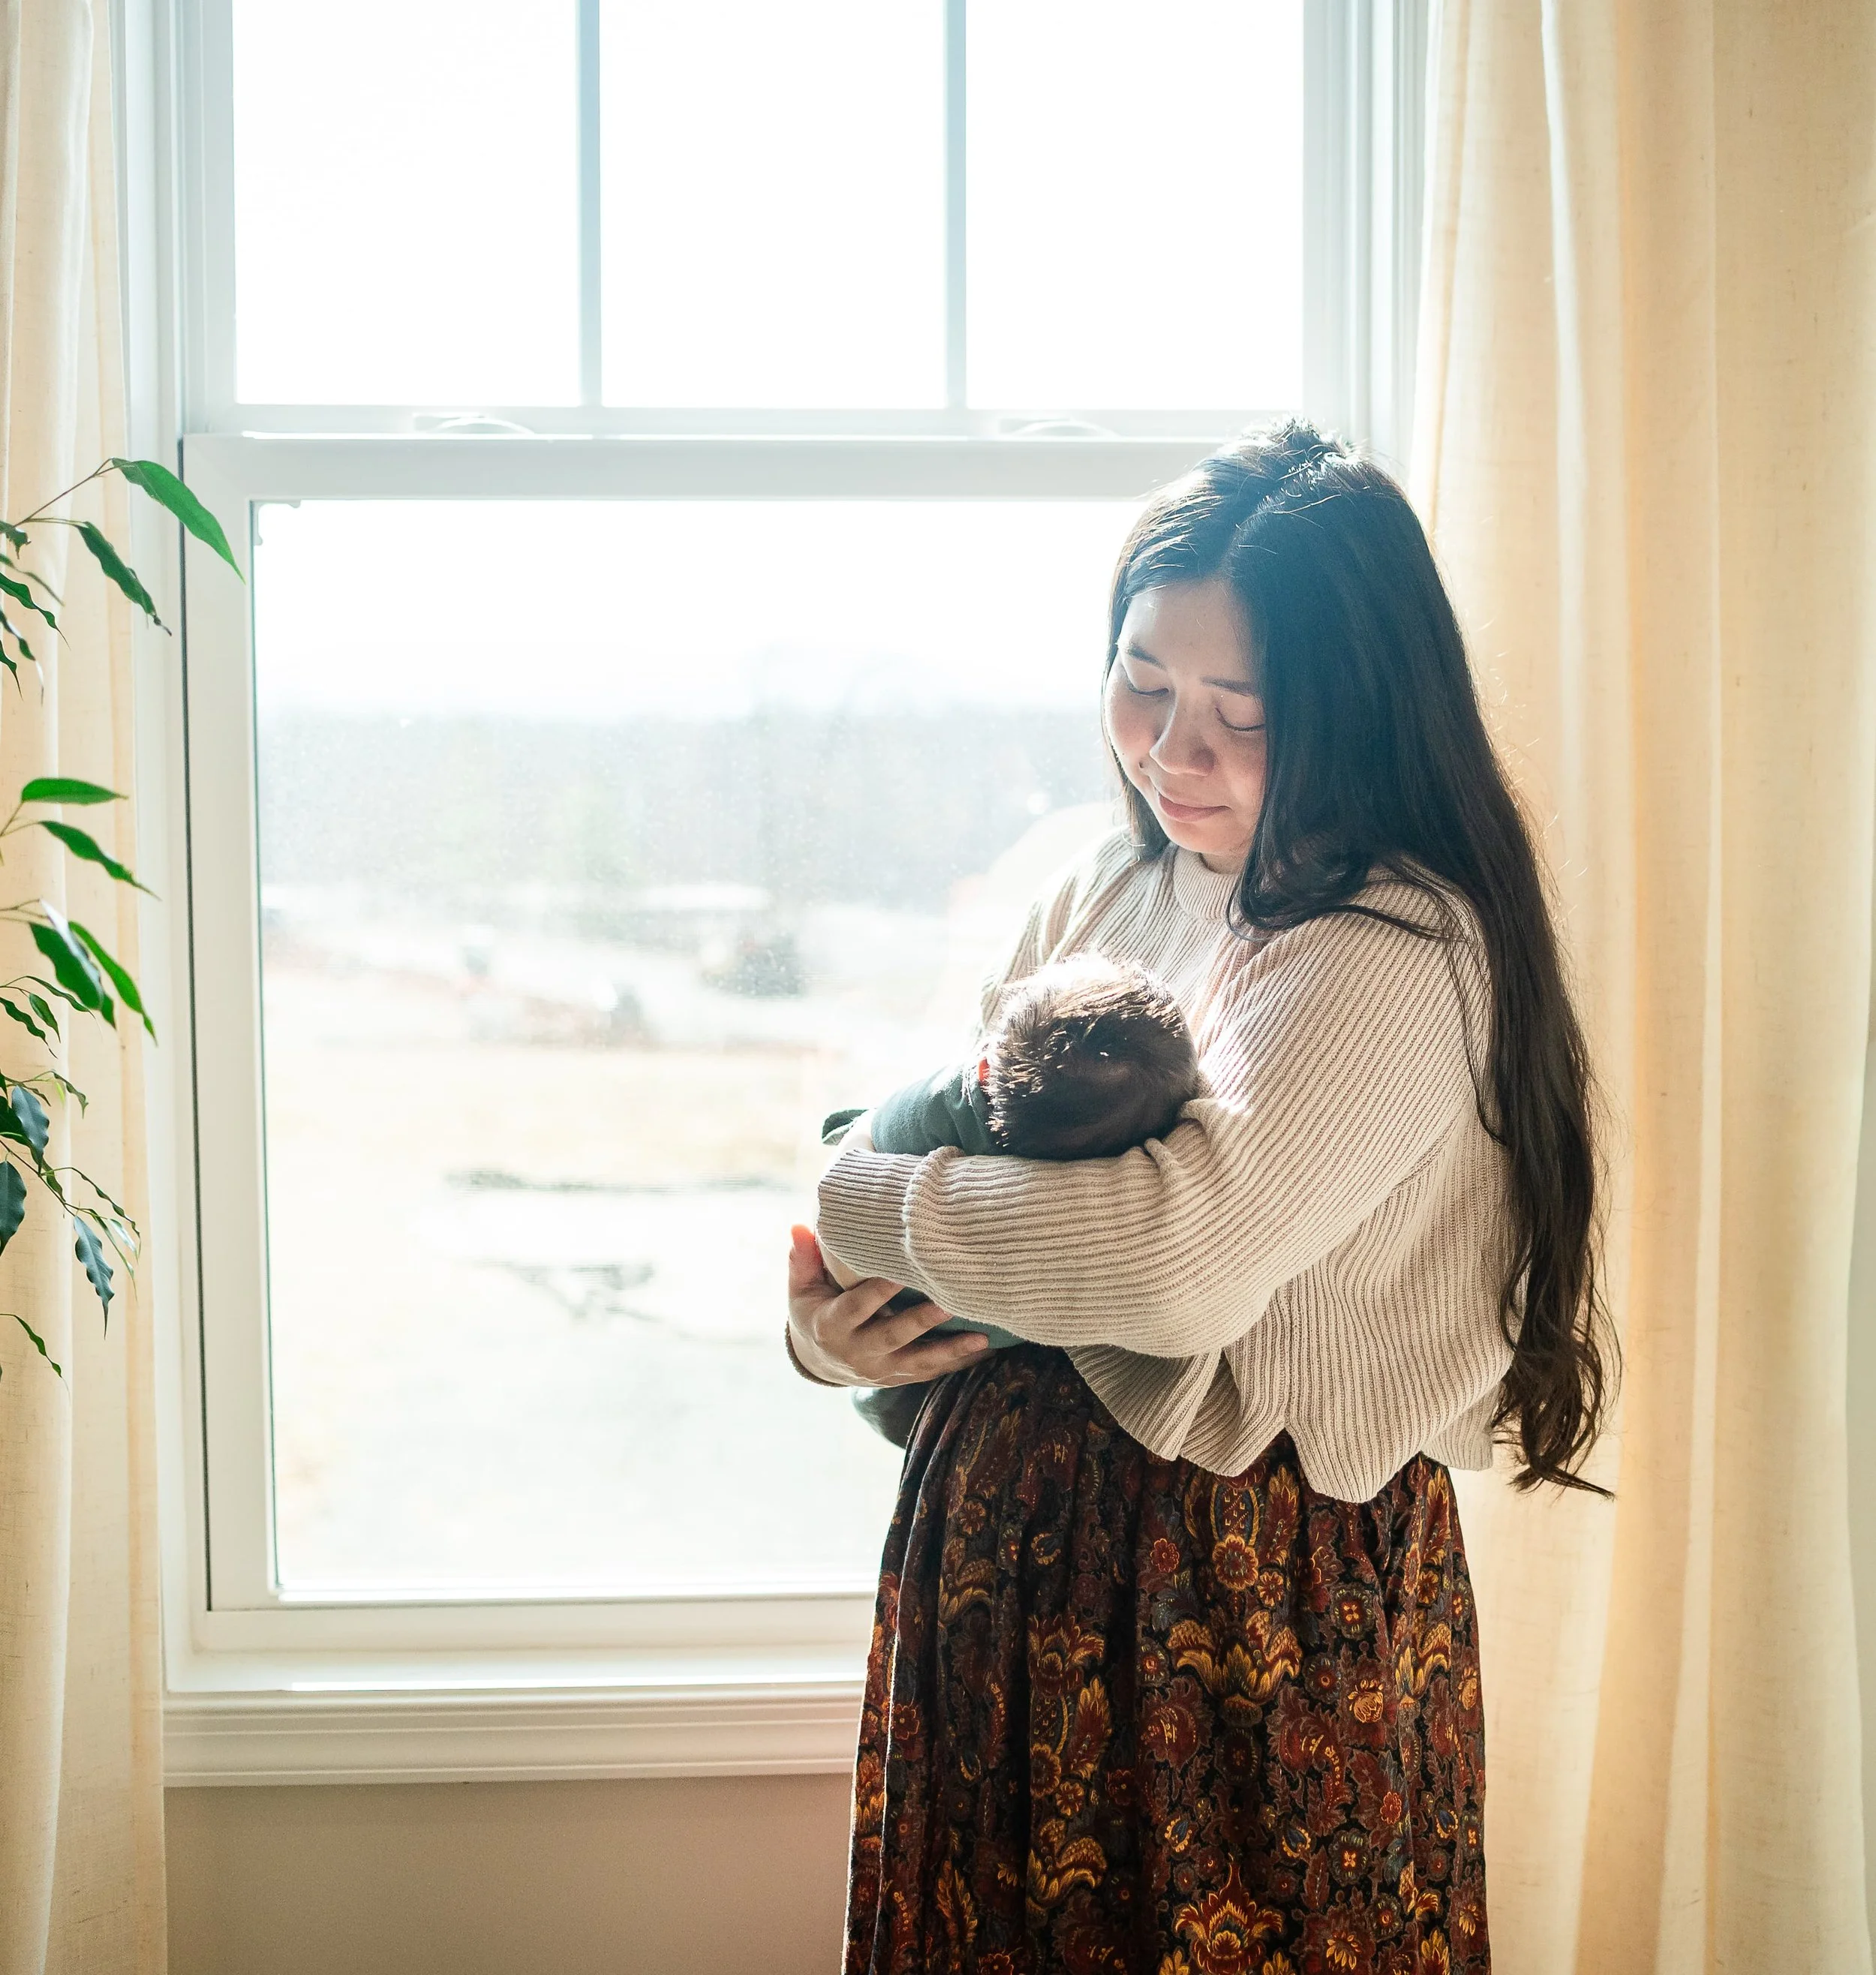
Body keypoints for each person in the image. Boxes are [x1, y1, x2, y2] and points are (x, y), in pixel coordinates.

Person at [785, 419, 1613, 1975]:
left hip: (1243, 1634)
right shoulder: (1095, 889)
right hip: (1000, 1590)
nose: (1173, 753)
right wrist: (840, 1338)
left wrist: (847, 1198)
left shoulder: (1392, 944)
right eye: (1142, 685)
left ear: (1358, 716)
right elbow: (965, 1172)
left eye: (1240, 714)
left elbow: (1169, 1264)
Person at [825, 954, 1203, 1447]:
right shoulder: (1106, 1168)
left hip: (911, 1330)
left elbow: (860, 1150)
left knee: (899, 1395)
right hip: (948, 1338)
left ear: (983, 1065)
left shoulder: (942, 1100)